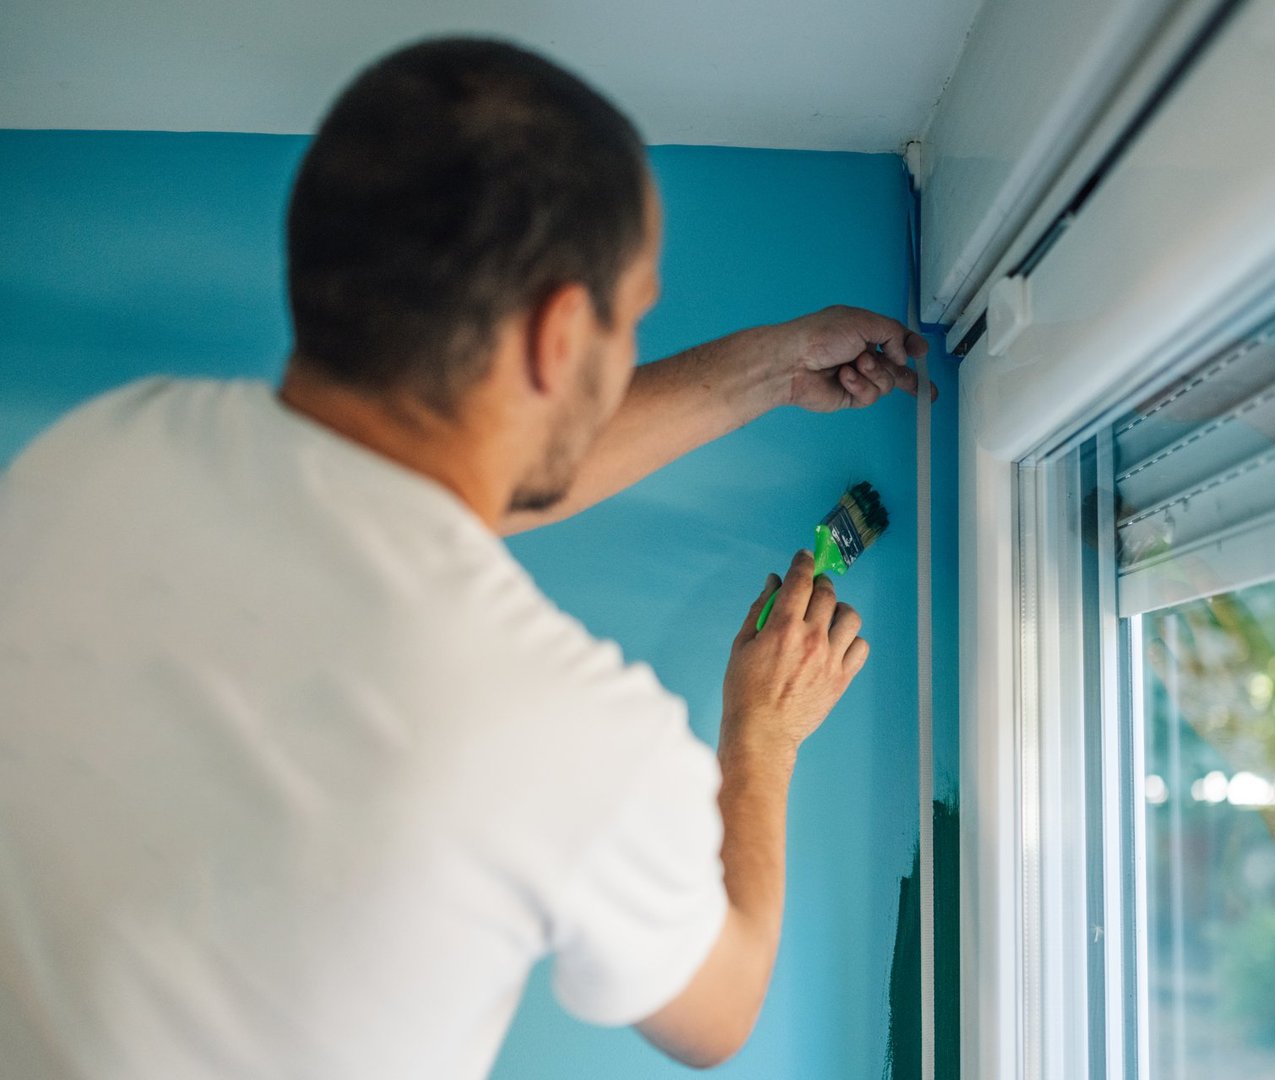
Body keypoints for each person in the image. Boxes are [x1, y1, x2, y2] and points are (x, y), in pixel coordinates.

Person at [0, 36, 928, 1078]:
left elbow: (428, 495)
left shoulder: (106, 449)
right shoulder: (556, 727)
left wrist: (764, 369)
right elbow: (720, 1009)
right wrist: (762, 740)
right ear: (558, 336)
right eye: (629, 320)